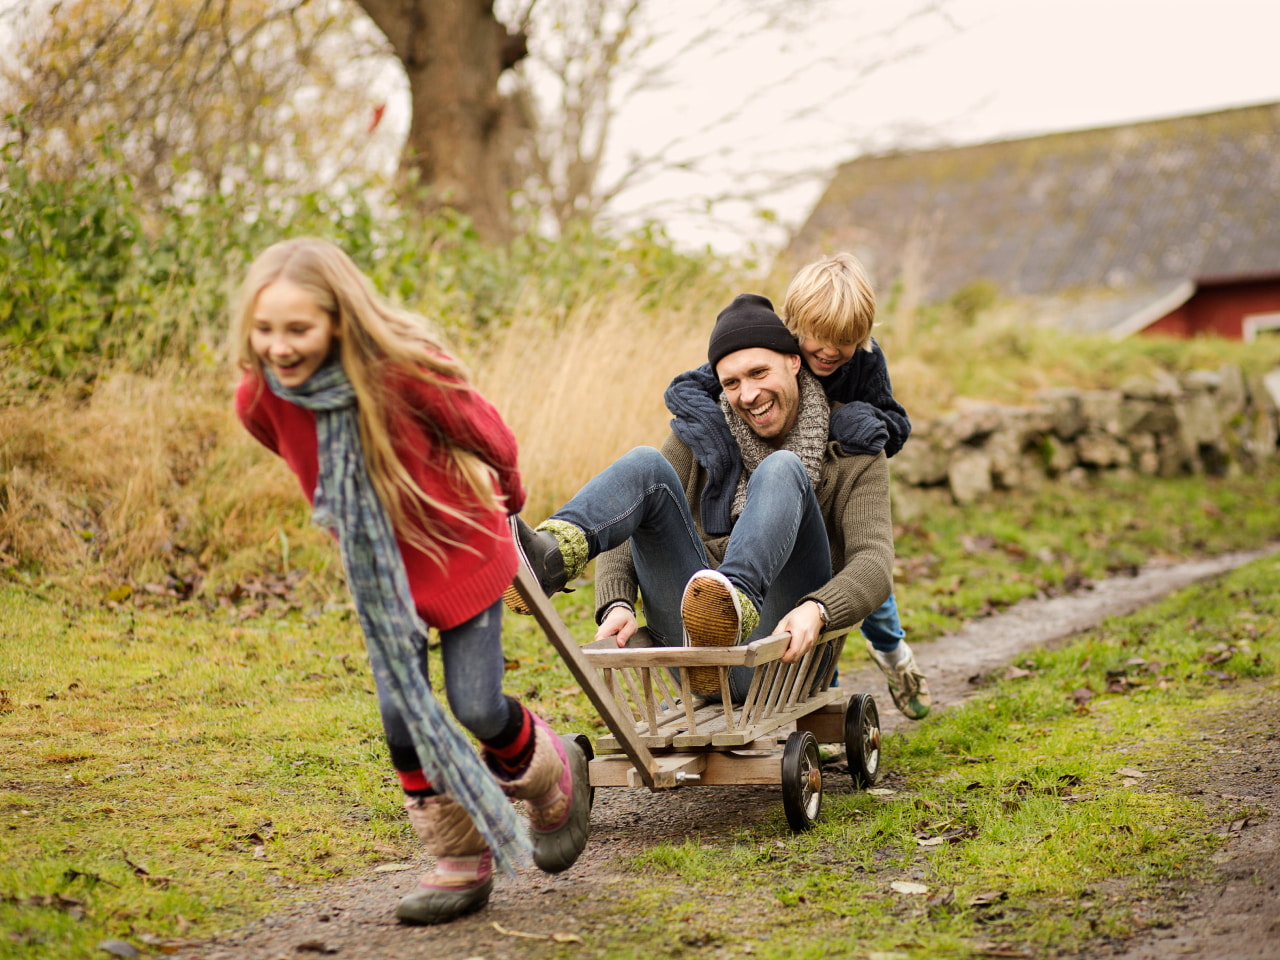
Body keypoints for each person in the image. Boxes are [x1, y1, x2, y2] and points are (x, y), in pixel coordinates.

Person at [231, 237, 589, 927]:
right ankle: (459, 857)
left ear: (339, 320)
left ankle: (554, 774)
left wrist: (509, 495)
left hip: (461, 549)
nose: (279, 347)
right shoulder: (261, 399)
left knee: (477, 704)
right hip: (381, 574)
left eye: (298, 329)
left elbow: (489, 435)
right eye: (265, 329)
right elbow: (300, 455)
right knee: (401, 716)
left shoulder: (400, 374)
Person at [505, 293, 894, 703]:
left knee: (781, 468)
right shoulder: (701, 433)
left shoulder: (855, 445)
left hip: (779, 652)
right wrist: (617, 602)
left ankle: (735, 602)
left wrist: (819, 610)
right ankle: (551, 555)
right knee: (646, 465)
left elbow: (875, 563)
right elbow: (629, 513)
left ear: (793, 361)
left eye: (759, 373)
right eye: (731, 383)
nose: (747, 394)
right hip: (694, 645)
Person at [663, 253, 929, 719]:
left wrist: (857, 421)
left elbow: (895, 424)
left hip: (837, 489)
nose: (828, 351)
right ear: (793, 329)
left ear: (863, 337)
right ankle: (820, 698)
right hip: (786, 493)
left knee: (872, 598)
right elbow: (699, 383)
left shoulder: (866, 363)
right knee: (806, 585)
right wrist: (697, 414)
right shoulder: (770, 348)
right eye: (816, 339)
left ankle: (894, 658)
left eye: (843, 342)